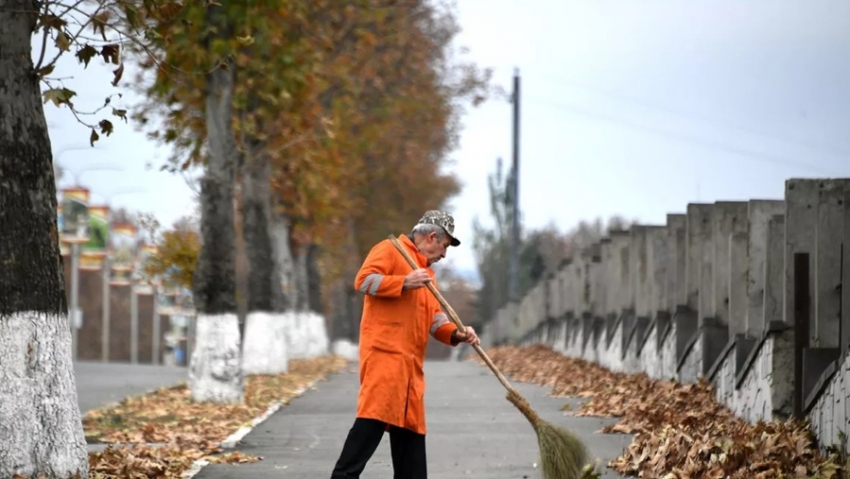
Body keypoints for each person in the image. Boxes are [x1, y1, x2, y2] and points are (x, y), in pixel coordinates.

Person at [330, 210, 481, 479]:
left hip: (411, 374)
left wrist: (457, 334)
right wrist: (403, 282)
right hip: (385, 363)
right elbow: (363, 280)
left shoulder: (428, 276)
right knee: (368, 430)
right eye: (445, 246)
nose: (444, 255)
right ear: (433, 236)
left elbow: (435, 320)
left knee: (411, 451)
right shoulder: (390, 250)